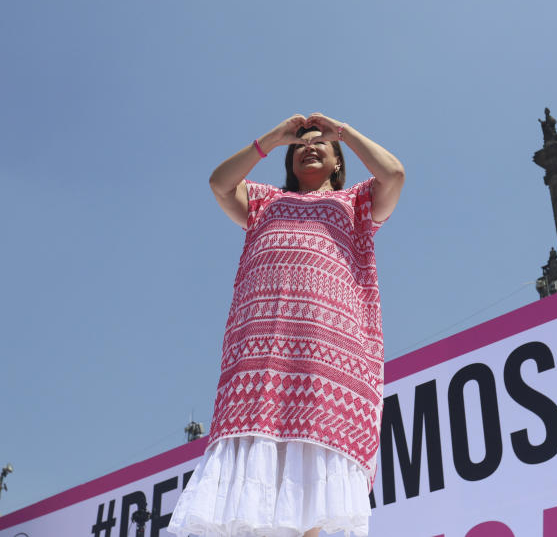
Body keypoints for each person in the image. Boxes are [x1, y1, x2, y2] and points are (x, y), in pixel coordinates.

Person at [168, 113, 405, 537]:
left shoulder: (356, 203)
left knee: (312, 488)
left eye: (320, 144)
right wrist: (273, 138)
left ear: (338, 161)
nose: (308, 148)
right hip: (260, 359)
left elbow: (393, 173)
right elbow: (220, 184)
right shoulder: (263, 201)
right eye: (300, 146)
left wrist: (344, 133)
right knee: (258, 489)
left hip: (327, 359)